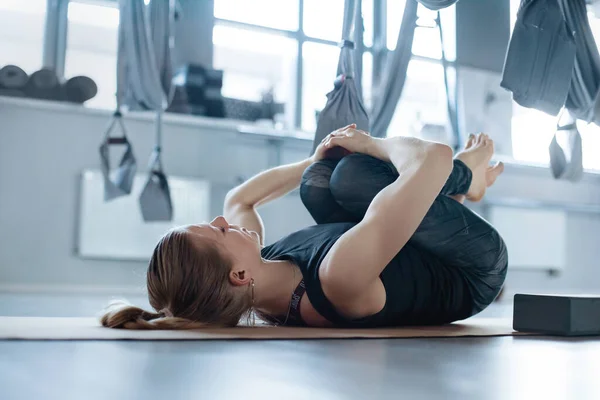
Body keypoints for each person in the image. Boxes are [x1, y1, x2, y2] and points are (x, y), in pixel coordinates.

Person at [101, 125, 508, 329]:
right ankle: (468, 179)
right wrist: (371, 144)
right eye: (220, 232)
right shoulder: (337, 279)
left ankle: (447, 194)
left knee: (317, 179)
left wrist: (313, 157)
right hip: (471, 266)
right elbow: (434, 156)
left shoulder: (257, 278)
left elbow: (239, 200)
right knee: (350, 175)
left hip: (411, 252)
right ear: (239, 275)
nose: (223, 221)